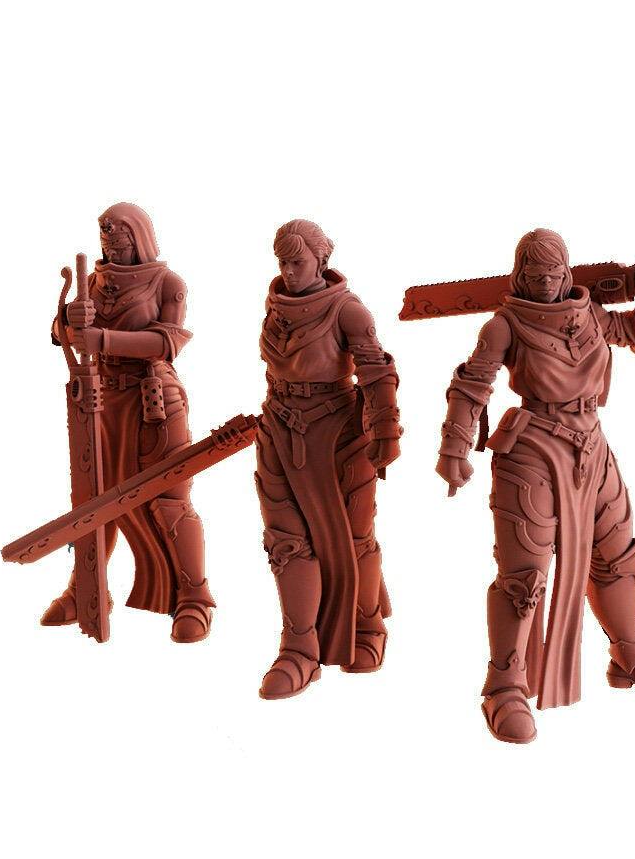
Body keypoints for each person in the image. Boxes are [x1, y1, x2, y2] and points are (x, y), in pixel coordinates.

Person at [437, 228, 635, 745]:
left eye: (554, 275)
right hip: (532, 448)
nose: (546, 284)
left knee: (617, 553)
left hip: (591, 444)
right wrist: (454, 449)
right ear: (521, 276)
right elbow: (472, 385)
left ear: (568, 273)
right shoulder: (505, 325)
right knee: (524, 574)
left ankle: (632, 653)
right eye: (535, 276)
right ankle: (505, 685)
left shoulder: (590, 313)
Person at [44, 202, 216, 642]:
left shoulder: (167, 284)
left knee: (170, 499)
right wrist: (67, 322)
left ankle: (194, 598)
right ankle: (85, 589)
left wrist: (100, 337)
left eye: (120, 241)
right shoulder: (93, 283)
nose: (112, 249)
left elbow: (166, 343)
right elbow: (63, 335)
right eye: (106, 242)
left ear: (138, 238)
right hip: (99, 400)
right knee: (93, 499)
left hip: (154, 401)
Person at [256, 220, 402, 699]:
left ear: (321, 259)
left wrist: (386, 431)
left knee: (355, 537)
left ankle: (367, 626)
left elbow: (377, 371)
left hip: (339, 434)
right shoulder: (276, 306)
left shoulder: (347, 310)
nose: (289, 271)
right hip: (281, 430)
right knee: (285, 542)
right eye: (283, 262)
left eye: (297, 262)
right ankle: (299, 648)